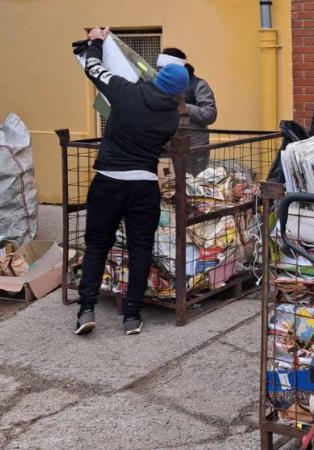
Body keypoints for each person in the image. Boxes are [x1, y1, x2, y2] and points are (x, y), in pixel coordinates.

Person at [74, 27, 189, 336]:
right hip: (143, 186)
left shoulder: (126, 91)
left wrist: (97, 42)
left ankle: (86, 309)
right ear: (179, 92)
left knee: (97, 246)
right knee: (140, 249)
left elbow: (93, 68)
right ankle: (132, 317)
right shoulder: (170, 119)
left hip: (108, 181)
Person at [157, 47, 217, 175]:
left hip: (195, 148)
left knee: (193, 186)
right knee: (175, 186)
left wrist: (183, 106)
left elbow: (210, 115)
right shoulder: (163, 86)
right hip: (172, 145)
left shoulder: (199, 85)